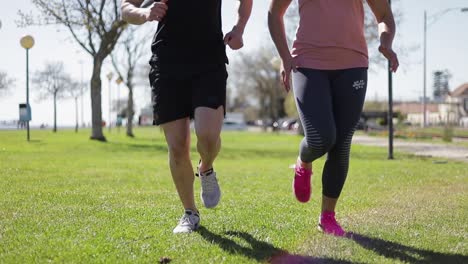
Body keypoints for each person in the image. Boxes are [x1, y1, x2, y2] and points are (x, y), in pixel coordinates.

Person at [268, 0, 399, 236]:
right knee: (320, 138)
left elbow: (384, 16)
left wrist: (385, 42)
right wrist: (284, 57)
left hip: (353, 64)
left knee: (341, 143)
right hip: (308, 63)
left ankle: (327, 217)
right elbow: (274, 13)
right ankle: (303, 161)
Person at [121, 0, 252, 233]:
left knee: (208, 135)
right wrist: (144, 12)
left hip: (208, 59)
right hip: (168, 61)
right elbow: (126, 8)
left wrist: (239, 28)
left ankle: (206, 168)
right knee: (178, 146)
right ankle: (190, 212)